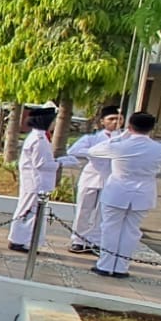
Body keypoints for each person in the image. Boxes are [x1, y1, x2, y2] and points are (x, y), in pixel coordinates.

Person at [88, 112, 161, 278]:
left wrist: (119, 137)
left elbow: (93, 151)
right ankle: (121, 268)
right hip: (143, 194)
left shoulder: (120, 145)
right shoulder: (160, 148)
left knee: (110, 229)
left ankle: (105, 265)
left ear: (129, 127)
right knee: (131, 231)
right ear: (152, 128)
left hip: (117, 192)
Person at [7, 106, 80, 252]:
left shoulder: (39, 137)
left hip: (35, 181)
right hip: (35, 182)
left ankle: (22, 240)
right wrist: (60, 163)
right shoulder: (39, 140)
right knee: (29, 212)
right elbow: (40, 164)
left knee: (30, 211)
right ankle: (21, 240)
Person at [64, 107, 123, 254]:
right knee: (83, 210)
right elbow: (73, 151)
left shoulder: (124, 139)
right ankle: (78, 240)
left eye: (119, 119)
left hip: (111, 180)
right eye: (111, 119)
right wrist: (96, 153)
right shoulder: (92, 138)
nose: (115, 122)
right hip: (91, 177)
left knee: (102, 214)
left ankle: (96, 241)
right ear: (102, 121)